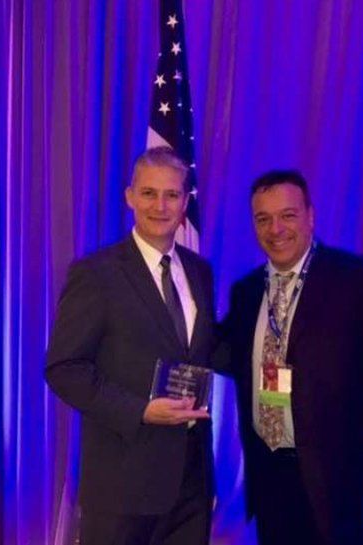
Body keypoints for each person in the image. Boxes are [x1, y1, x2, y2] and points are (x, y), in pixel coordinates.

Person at [217, 170, 363, 544]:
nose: (275, 228)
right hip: (272, 479)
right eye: (263, 218)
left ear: (311, 216)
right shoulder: (246, 292)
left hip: (344, 484)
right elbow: (223, 354)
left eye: (288, 215)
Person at [46, 147, 218, 544]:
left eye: (172, 195)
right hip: (122, 485)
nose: (160, 205)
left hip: (191, 484)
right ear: (129, 197)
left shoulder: (200, 271)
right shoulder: (96, 274)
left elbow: (205, 349)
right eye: (148, 193)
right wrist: (140, 410)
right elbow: (63, 368)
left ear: (185, 201)